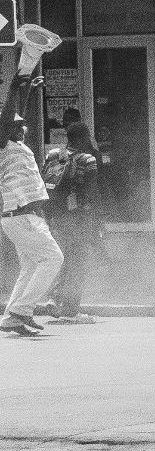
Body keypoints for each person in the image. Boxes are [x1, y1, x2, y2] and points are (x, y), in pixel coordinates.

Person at [1, 114, 63, 337]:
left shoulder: (19, 147)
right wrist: (18, 84)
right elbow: (6, 118)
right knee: (53, 258)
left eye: (22, 126)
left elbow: (14, 117)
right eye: (15, 126)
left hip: (25, 217)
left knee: (29, 268)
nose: (21, 130)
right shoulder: (2, 145)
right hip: (21, 216)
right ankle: (21, 311)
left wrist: (27, 86)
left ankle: (11, 316)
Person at [43, 108, 101, 323]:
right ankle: (70, 309)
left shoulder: (53, 156)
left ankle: (53, 298)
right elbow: (92, 192)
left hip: (56, 216)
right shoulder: (88, 160)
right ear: (84, 138)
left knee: (61, 258)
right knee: (77, 262)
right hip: (78, 217)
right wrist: (97, 220)